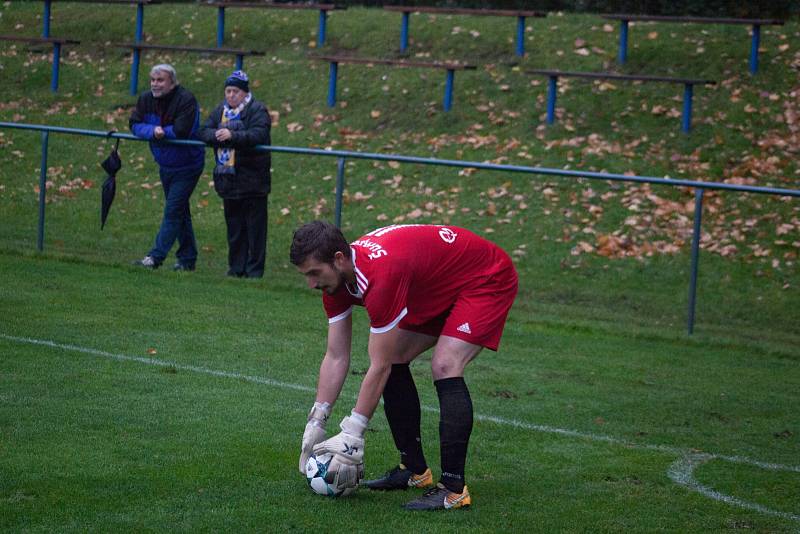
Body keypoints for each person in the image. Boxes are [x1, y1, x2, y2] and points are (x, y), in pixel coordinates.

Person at [290, 222, 518, 511]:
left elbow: (379, 365)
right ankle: (415, 471)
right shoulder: (336, 282)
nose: (311, 283)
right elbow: (336, 356)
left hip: (485, 277)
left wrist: (352, 433)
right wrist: (317, 420)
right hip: (437, 284)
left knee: (445, 364)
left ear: (338, 259)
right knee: (397, 357)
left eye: (313, 273)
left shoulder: (379, 276)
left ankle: (453, 491)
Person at [129, 64, 205, 271]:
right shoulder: (145, 99)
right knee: (180, 212)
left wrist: (162, 133)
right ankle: (188, 259)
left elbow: (182, 130)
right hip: (165, 164)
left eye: (160, 80)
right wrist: (152, 131)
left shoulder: (186, 100)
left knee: (172, 211)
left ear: (173, 82)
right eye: (153, 80)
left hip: (188, 165)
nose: (155, 84)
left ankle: (155, 257)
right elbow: (134, 124)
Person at [198, 70, 271, 278]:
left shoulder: (257, 110)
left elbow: (259, 134)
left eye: (235, 91)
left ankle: (254, 271)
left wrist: (232, 135)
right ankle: (236, 268)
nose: (230, 95)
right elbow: (203, 131)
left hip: (254, 180)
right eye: (228, 91)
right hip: (228, 181)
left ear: (244, 93)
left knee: (255, 230)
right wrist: (216, 135)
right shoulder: (219, 110)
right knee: (235, 229)